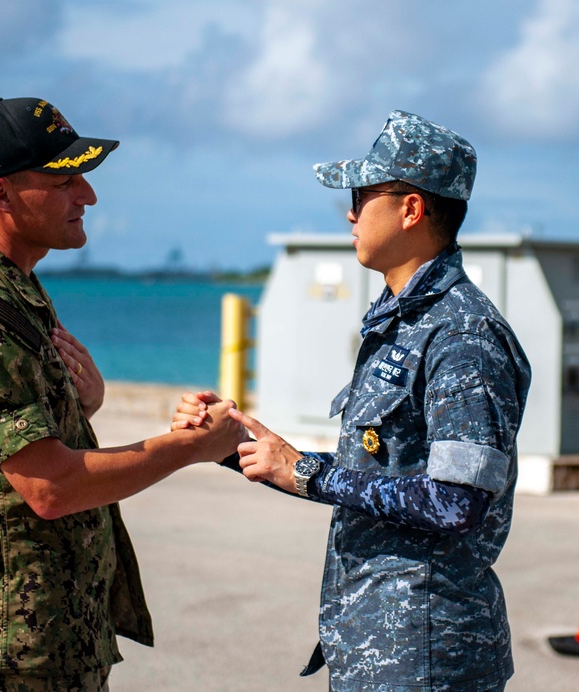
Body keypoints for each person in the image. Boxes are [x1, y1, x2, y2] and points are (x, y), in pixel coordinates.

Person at [174, 110, 531, 690]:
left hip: (428, 654)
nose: (349, 211)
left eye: (363, 194)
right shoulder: (402, 321)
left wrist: (308, 474)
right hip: (378, 643)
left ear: (411, 208)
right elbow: (379, 471)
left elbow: (456, 502)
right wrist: (238, 443)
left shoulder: (462, 334)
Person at [0, 96, 243, 691]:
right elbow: (51, 488)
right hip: (10, 649)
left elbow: (8, 443)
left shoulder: (15, 288)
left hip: (51, 640)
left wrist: (82, 405)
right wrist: (191, 448)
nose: (86, 196)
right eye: (63, 179)